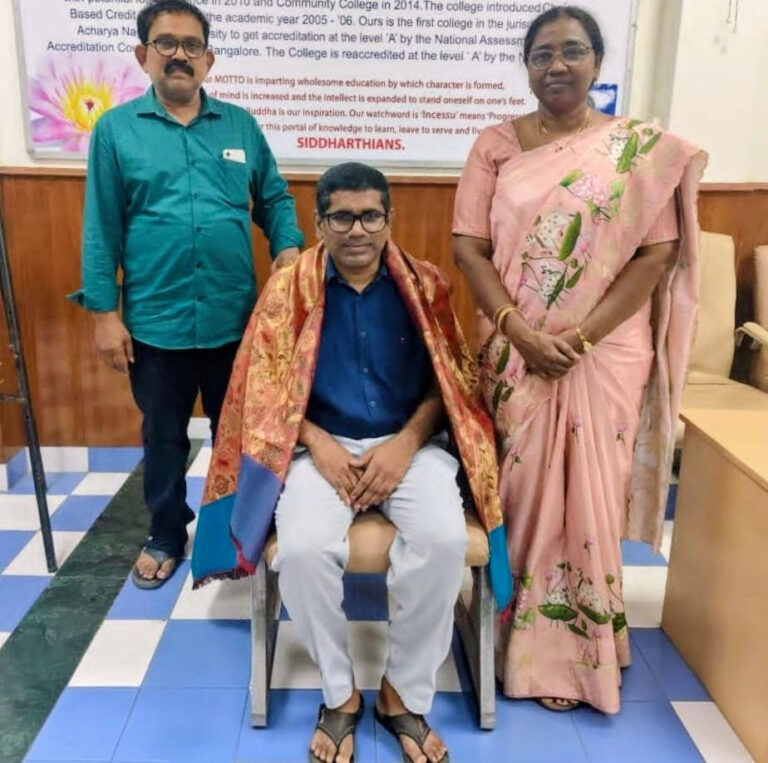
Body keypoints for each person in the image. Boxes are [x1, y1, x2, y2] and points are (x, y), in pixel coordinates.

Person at [191, 163, 512, 763]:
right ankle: (339, 694)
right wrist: (319, 443)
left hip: (408, 447)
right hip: (318, 449)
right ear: (319, 223)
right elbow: (264, 393)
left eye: (369, 216)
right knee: (303, 550)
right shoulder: (288, 291)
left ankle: (401, 693)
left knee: (443, 541)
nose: (357, 230)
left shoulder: (427, 286)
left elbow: (451, 386)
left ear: (389, 219)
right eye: (341, 217)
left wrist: (405, 444)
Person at [452, 5, 706, 714]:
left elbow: (656, 254)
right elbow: (468, 246)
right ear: (527, 66)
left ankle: (582, 649)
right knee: (522, 494)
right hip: (516, 349)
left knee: (590, 495)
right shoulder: (495, 145)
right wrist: (521, 332)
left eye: (571, 51)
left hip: (605, 352)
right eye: (542, 54)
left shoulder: (635, 153)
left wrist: (582, 336)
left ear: (597, 62)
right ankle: (509, 634)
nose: (556, 65)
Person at [70, 0, 303, 589]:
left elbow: (274, 198)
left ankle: (244, 529)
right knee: (164, 435)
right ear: (142, 54)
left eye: (191, 45)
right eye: (166, 43)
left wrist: (287, 248)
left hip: (235, 319)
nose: (179, 54)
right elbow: (101, 226)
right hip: (156, 321)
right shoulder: (116, 130)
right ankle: (166, 532)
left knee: (243, 434)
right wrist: (104, 315)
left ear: (209, 58)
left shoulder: (239, 126)